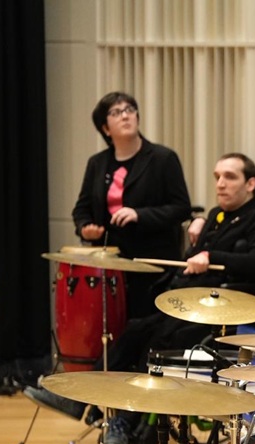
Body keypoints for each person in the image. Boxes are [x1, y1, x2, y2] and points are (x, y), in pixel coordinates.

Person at [34, 153, 255, 444]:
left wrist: (211, 257)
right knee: (134, 331)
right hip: (194, 303)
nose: (220, 183)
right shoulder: (216, 215)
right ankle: (83, 402)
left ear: (251, 183)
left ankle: (126, 423)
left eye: (230, 177)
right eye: (217, 176)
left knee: (159, 342)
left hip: (224, 315)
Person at [72, 91, 192, 318]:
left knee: (143, 326)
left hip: (151, 264)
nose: (125, 116)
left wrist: (140, 215)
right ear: (105, 128)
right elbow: (82, 208)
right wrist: (85, 227)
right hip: (110, 264)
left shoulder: (163, 158)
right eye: (116, 112)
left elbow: (181, 208)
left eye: (129, 110)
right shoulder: (97, 163)